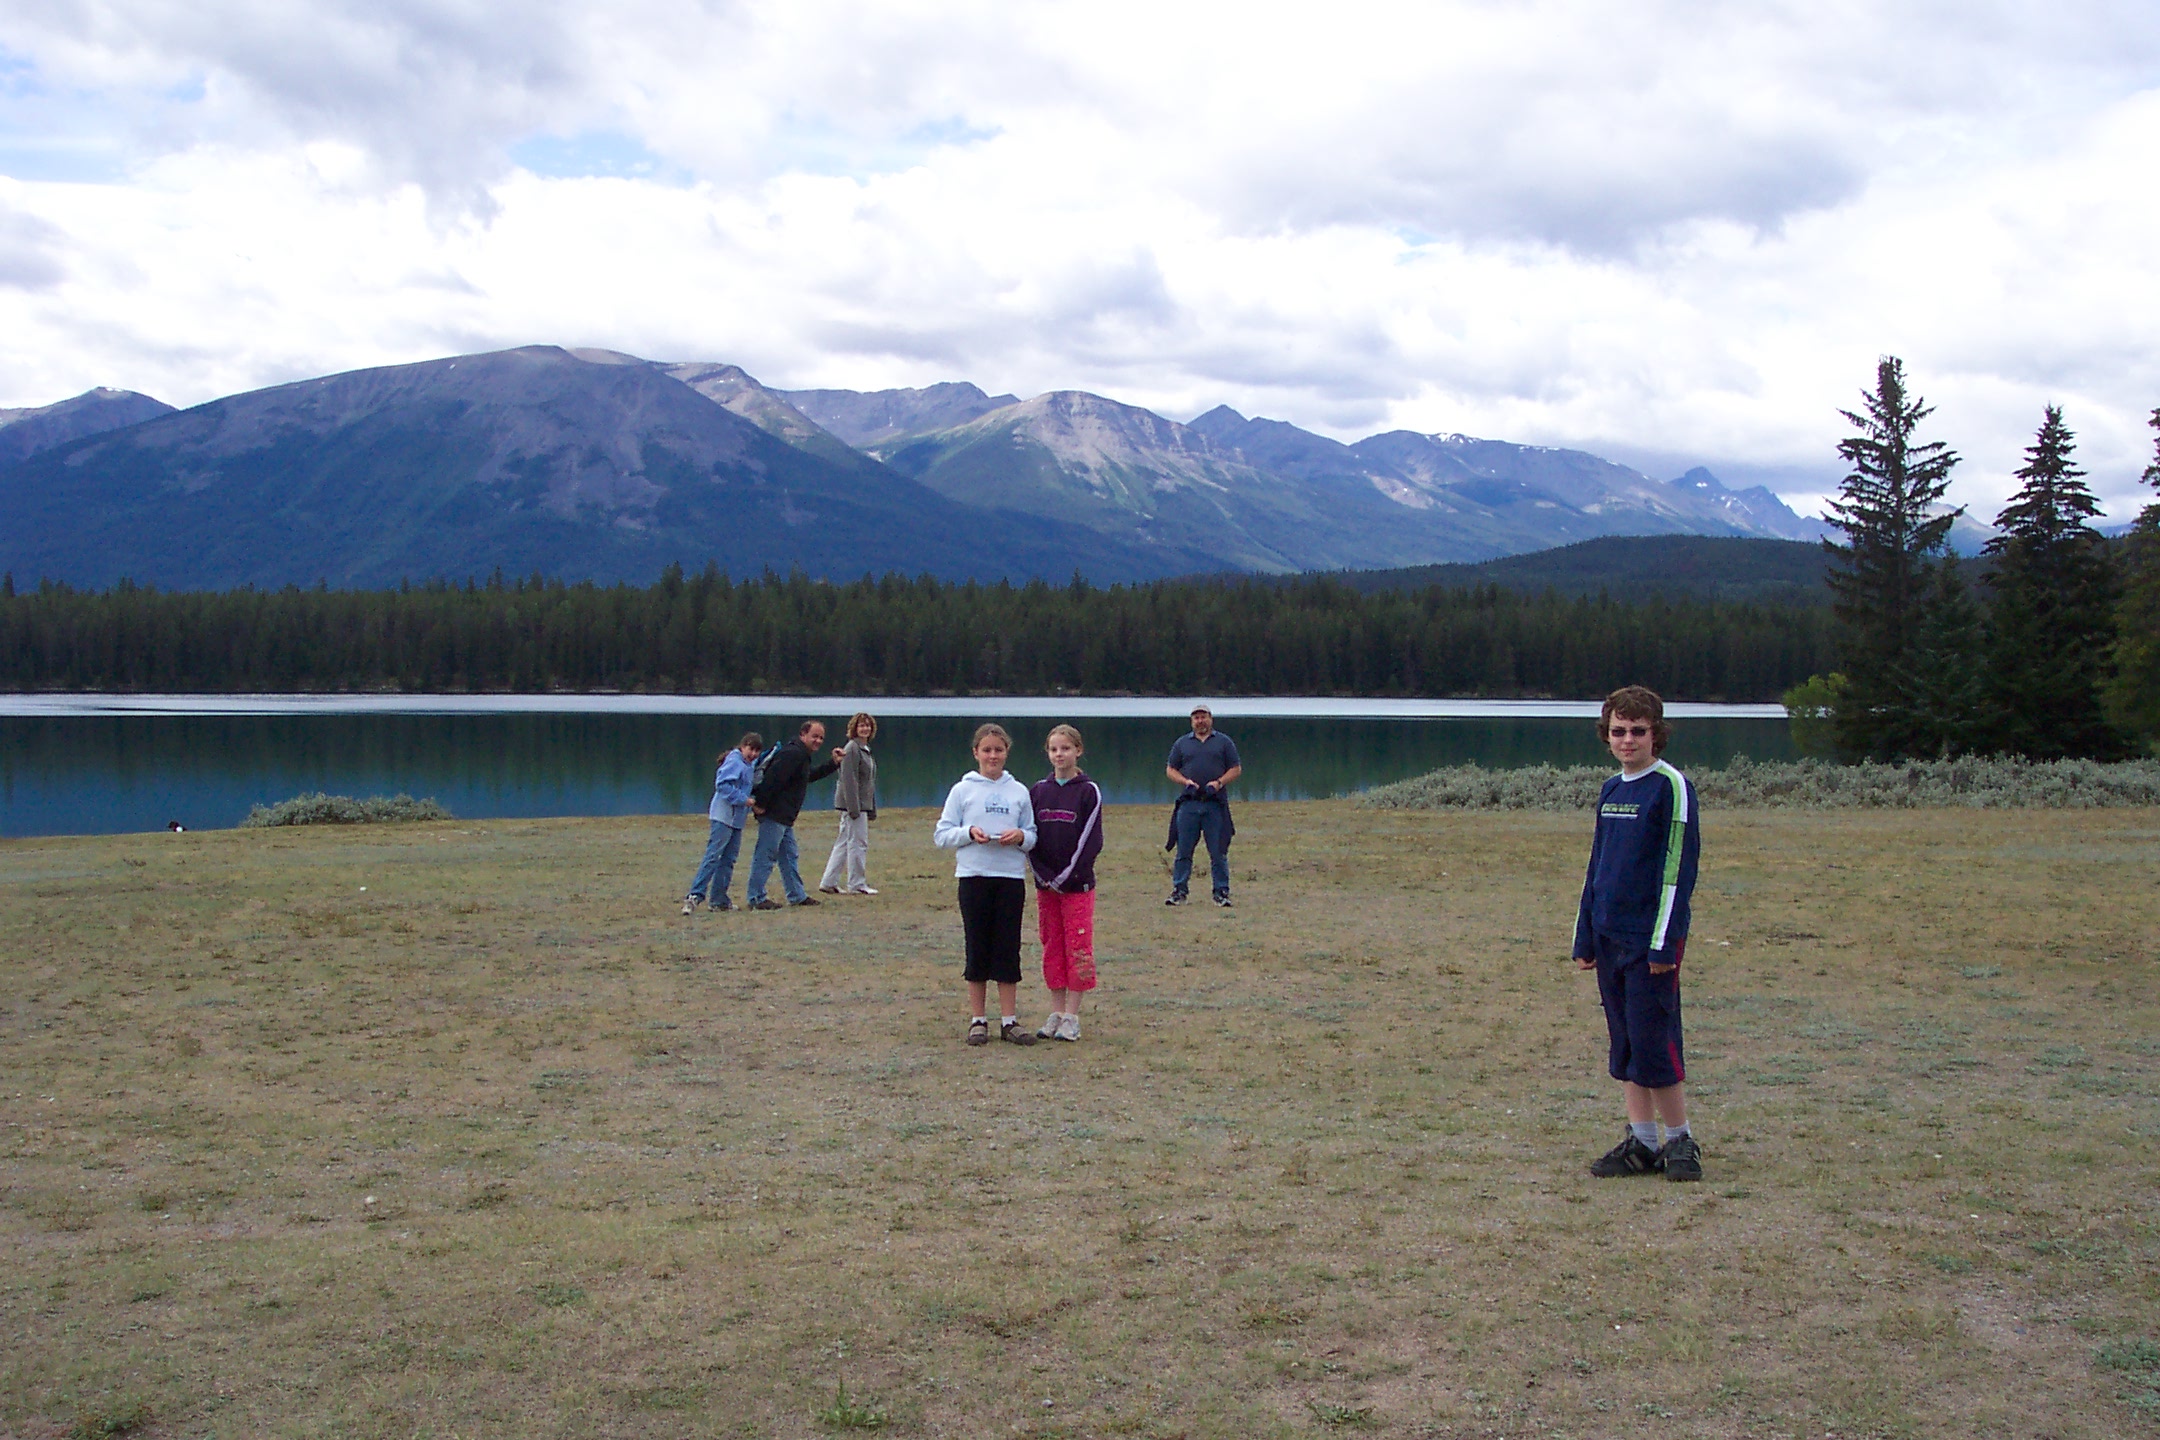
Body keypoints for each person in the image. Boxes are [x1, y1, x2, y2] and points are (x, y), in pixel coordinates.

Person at [1573, 685, 1703, 1183]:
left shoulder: (1670, 787)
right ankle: (1642, 1140)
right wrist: (1585, 937)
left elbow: (1676, 870)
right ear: (1607, 735)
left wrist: (1664, 943)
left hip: (1651, 941)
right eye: (1618, 731)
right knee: (1625, 1041)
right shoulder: (1611, 790)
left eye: (1638, 732)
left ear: (1656, 735)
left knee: (1655, 1041)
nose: (1628, 741)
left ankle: (1681, 1140)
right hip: (1609, 937)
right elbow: (1598, 866)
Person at [932, 723, 1038, 1046]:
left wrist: (1020, 836)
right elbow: (942, 834)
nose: (993, 756)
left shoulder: (1018, 791)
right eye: (987, 750)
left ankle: (1009, 1021)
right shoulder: (962, 791)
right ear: (976, 753)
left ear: (1007, 752)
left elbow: (1032, 835)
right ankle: (978, 1020)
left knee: (1008, 948)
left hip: (1009, 879)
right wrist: (969, 833)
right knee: (977, 946)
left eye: (999, 750)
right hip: (973, 877)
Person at [1029, 724, 1104, 1042]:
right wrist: (1043, 876)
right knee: (1052, 946)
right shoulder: (1038, 792)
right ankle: (1056, 1012)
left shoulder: (1089, 792)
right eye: (1054, 749)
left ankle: (1072, 1016)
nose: (1059, 754)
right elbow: (1029, 837)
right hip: (1046, 888)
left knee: (1078, 948)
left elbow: (1090, 841)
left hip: (1076, 887)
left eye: (1065, 748)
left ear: (1078, 751)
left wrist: (1065, 877)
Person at [746, 719, 840, 910]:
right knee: (766, 855)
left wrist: (833, 764)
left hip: (785, 817)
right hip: (775, 814)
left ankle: (796, 895)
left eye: (821, 738)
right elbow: (772, 780)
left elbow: (806, 777)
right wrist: (760, 804)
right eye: (815, 736)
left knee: (789, 855)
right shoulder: (793, 754)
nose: (818, 741)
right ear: (803, 734)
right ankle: (756, 897)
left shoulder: (801, 754)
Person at [1163, 704, 1241, 907]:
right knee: (1184, 851)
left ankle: (1221, 892)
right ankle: (1179, 891)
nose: (1200, 721)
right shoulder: (1182, 743)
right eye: (1196, 717)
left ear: (1210, 718)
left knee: (1218, 851)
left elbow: (1236, 768)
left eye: (1203, 716)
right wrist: (1185, 782)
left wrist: (1219, 783)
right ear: (1192, 721)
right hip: (1189, 805)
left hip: (1215, 805)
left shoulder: (1224, 742)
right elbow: (1170, 769)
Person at [682, 732, 761, 914]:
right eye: (751, 749)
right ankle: (694, 896)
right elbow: (723, 785)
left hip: (737, 820)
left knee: (728, 860)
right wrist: (744, 799)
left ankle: (718, 900)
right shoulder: (735, 761)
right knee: (713, 856)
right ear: (743, 746)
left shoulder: (749, 764)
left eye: (757, 751)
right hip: (723, 817)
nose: (753, 754)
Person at [818, 712, 880, 896]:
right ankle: (857, 883)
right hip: (853, 806)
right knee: (858, 843)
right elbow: (849, 780)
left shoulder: (864, 749)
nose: (865, 729)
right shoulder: (852, 748)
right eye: (861, 725)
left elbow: (868, 781)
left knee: (844, 842)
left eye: (867, 725)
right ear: (854, 728)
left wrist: (872, 807)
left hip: (862, 804)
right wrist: (854, 808)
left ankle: (828, 882)